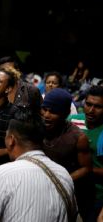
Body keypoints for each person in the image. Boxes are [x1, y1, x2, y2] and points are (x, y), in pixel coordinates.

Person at [41, 88, 93, 220]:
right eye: (44, 109)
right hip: (37, 188)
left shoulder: (78, 137)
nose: (46, 115)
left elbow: (86, 168)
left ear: (65, 113)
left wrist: (61, 180)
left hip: (64, 194)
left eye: (53, 112)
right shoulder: (36, 127)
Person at [68, 85, 103, 221]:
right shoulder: (73, 121)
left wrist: (86, 170)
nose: (91, 110)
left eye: (98, 107)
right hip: (70, 190)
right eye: (88, 104)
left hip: (97, 195)